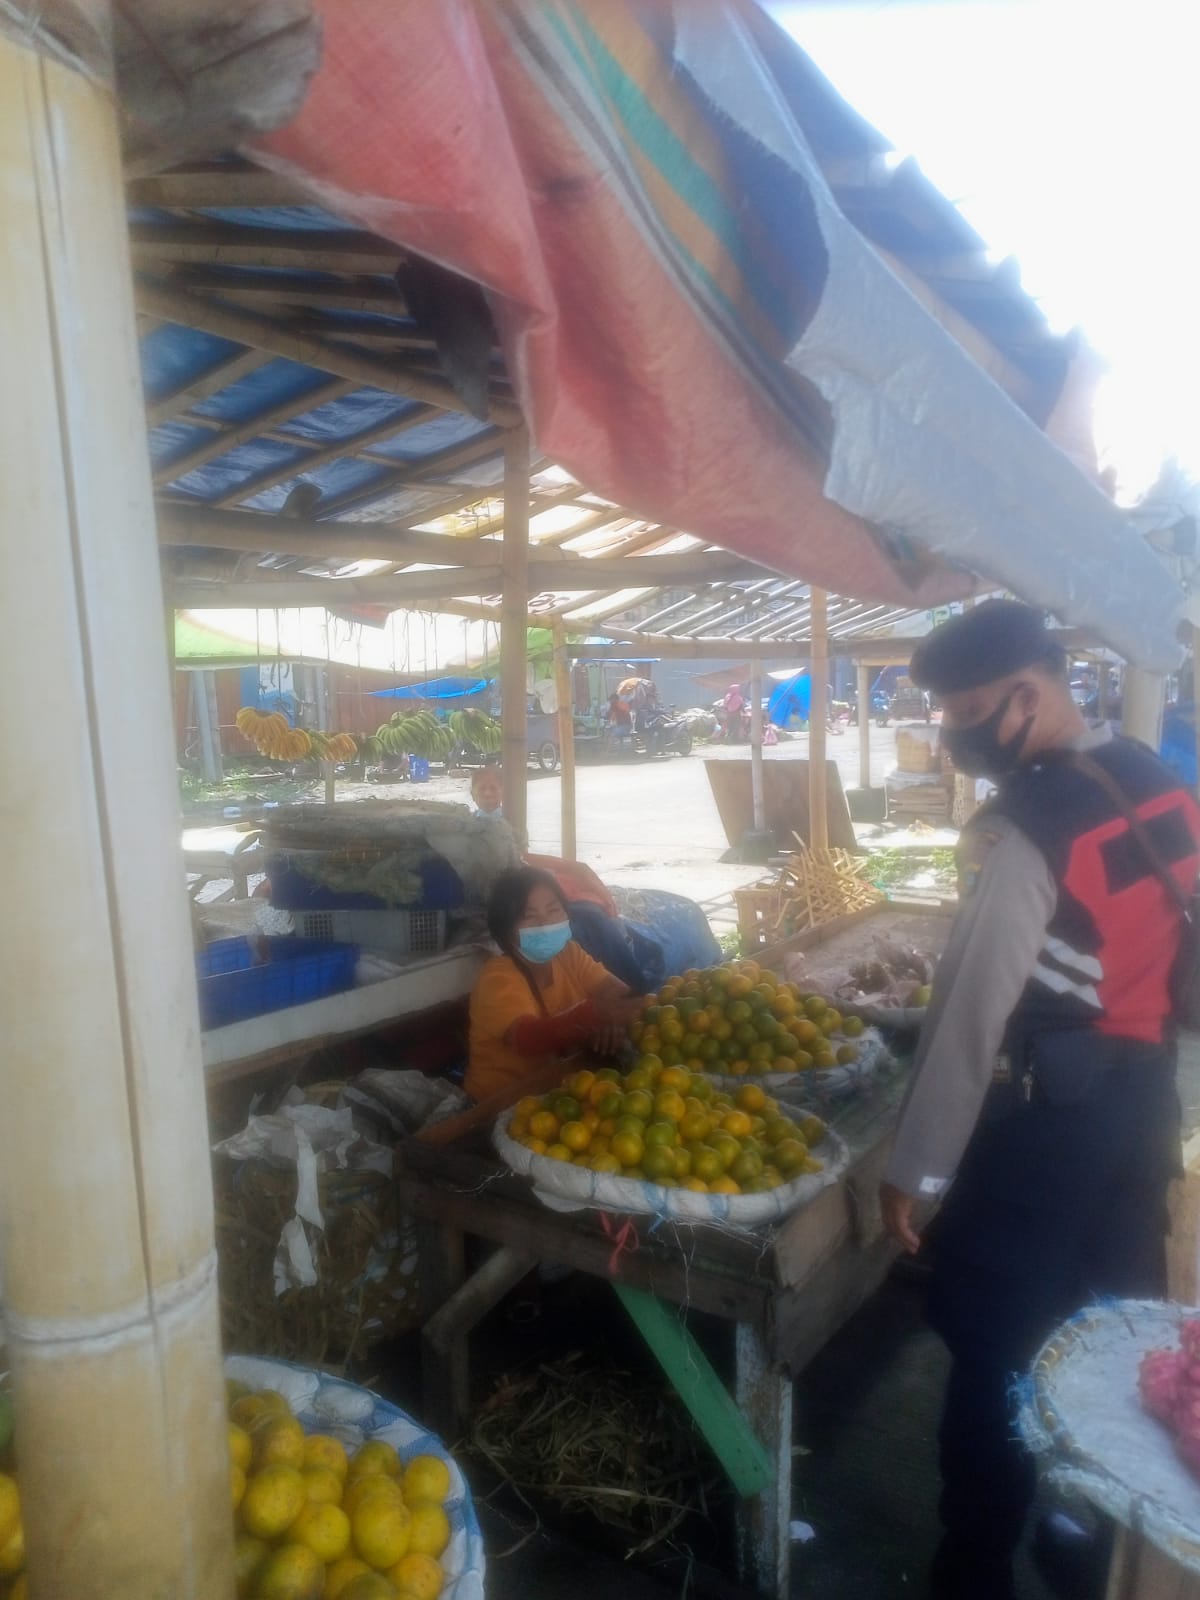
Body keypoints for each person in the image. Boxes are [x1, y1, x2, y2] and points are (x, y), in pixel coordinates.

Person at [878, 600, 1200, 1600]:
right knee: (1109, 1321)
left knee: (994, 1338)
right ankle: (1093, 1535)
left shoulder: (1031, 827)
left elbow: (971, 1013)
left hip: (1047, 1125)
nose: (954, 735)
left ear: (1028, 694)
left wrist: (916, 1167)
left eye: (966, 712)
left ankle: (973, 1565)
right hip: (1144, 1102)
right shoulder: (1159, 781)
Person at [466, 867, 641, 1101]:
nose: (545, 923)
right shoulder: (498, 977)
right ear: (505, 930)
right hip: (499, 1105)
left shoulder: (568, 954)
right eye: (529, 916)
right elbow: (528, 1039)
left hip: (559, 1091)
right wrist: (595, 1017)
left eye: (553, 909)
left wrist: (611, 1023)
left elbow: (618, 993)